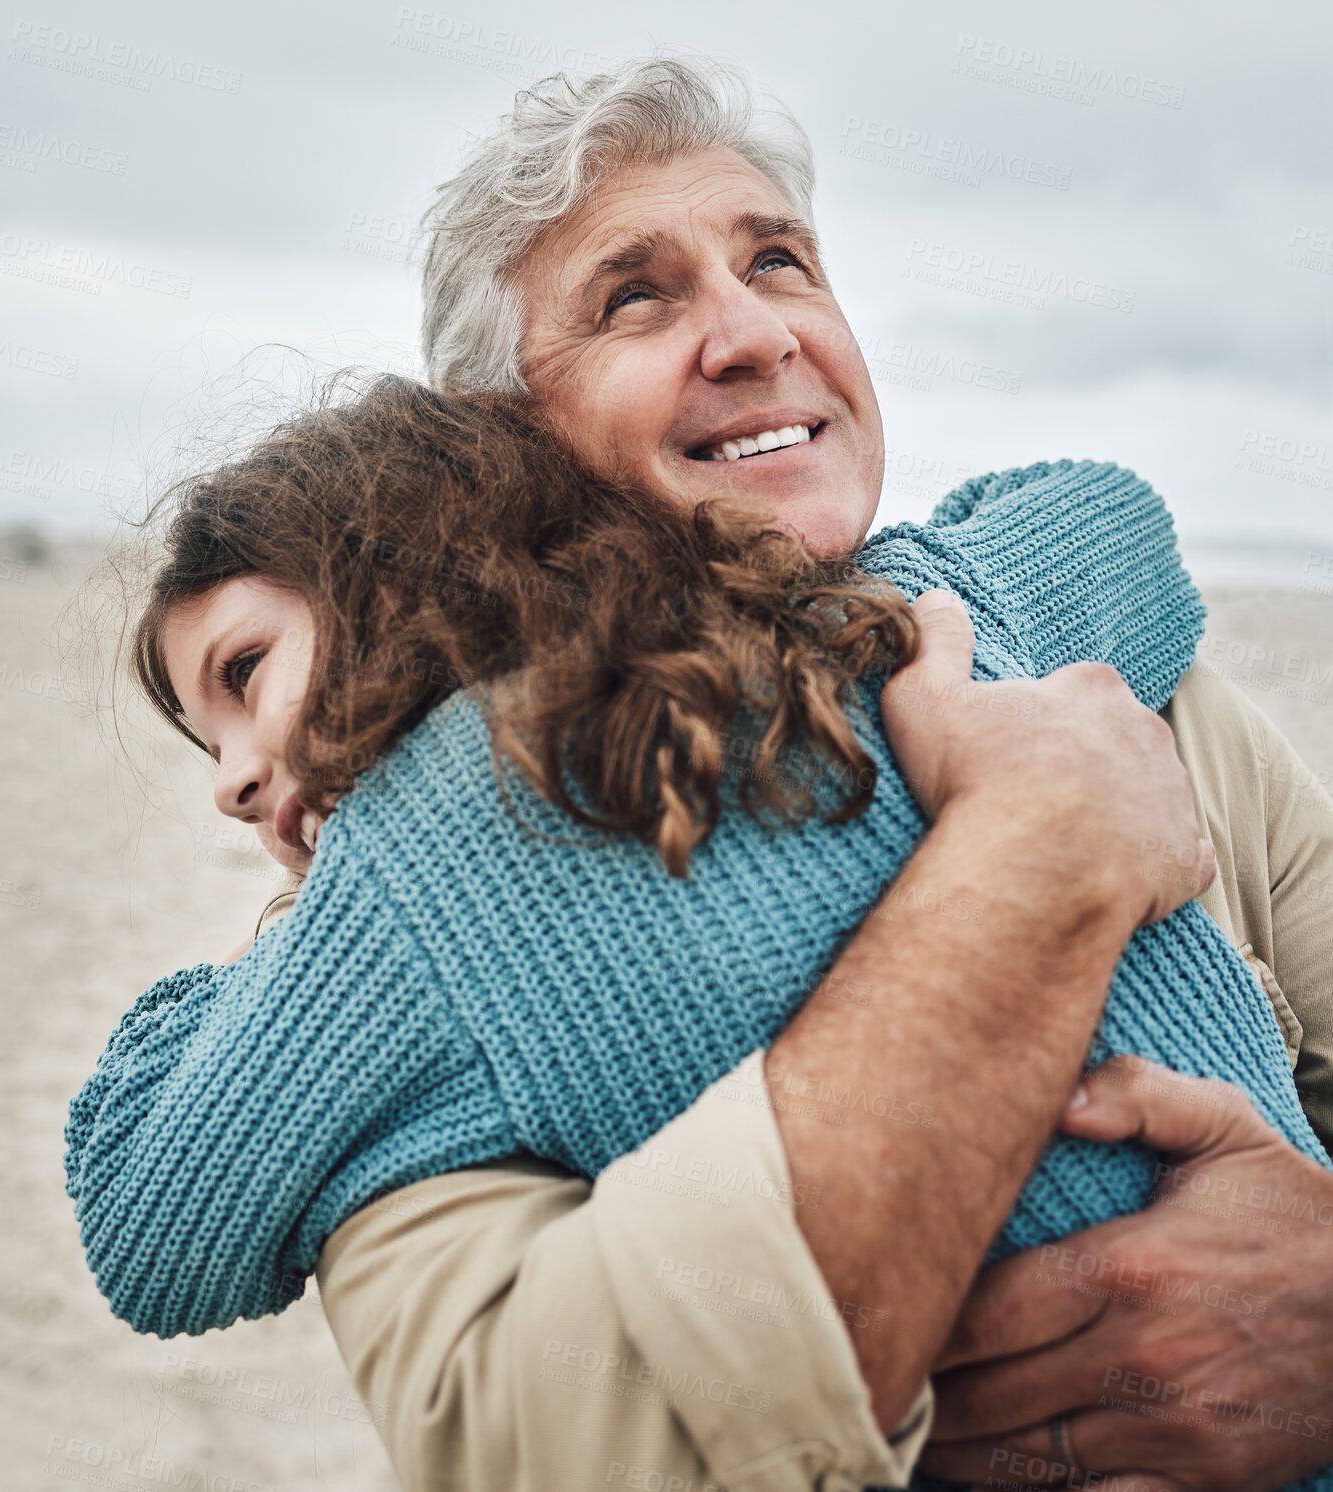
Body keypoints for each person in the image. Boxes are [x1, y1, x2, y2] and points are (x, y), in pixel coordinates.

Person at [319, 52, 1333, 1492]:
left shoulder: (1142, 702)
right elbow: (531, 1436)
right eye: (636, 297)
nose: (751, 334)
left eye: (781, 261)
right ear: (504, 448)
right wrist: (1039, 851)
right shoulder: (434, 896)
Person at [67, 363, 1331, 1492]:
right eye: (212, 740)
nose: (229, 781)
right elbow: (1113, 521)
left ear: (384, 560)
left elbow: (153, 1218)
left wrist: (264, 953)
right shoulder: (908, 618)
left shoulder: (404, 896)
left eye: (243, 674)